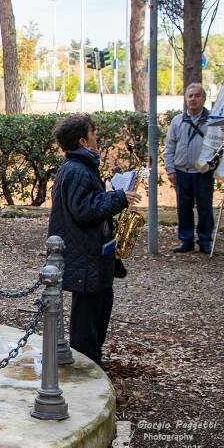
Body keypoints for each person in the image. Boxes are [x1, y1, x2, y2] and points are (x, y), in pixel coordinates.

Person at [48, 114, 140, 366]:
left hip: (90, 257)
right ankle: (87, 371)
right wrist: (117, 198)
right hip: (85, 259)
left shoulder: (78, 167)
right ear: (82, 141)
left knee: (97, 310)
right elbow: (84, 210)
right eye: (93, 134)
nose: (96, 138)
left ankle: (91, 365)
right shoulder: (77, 170)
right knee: (87, 322)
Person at [163, 83, 214, 253]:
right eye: (189, 96)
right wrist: (170, 169)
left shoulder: (212, 121)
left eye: (197, 95)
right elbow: (169, 147)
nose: (193, 99)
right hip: (181, 172)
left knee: (204, 207)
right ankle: (186, 240)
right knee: (183, 208)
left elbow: (218, 146)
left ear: (203, 98)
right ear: (185, 99)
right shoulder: (177, 120)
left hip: (203, 172)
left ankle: (205, 240)